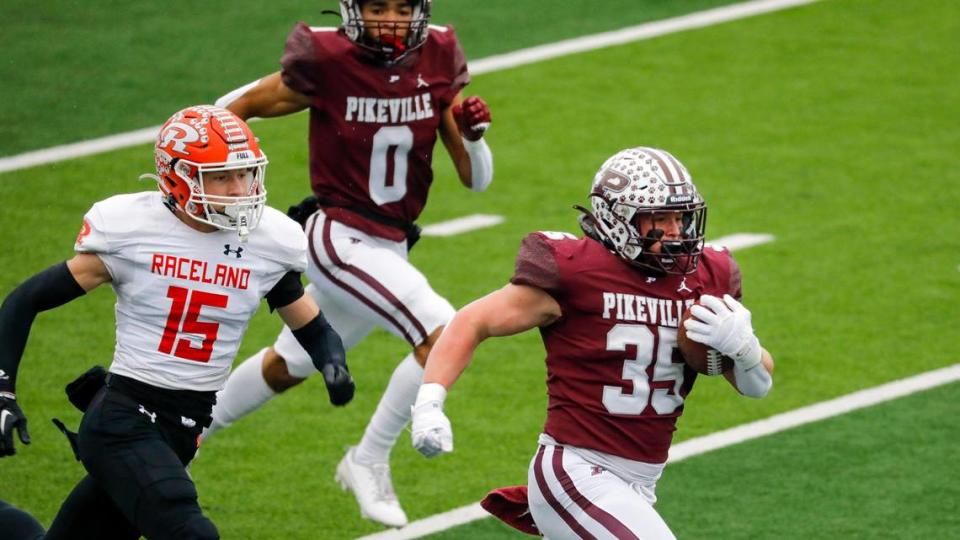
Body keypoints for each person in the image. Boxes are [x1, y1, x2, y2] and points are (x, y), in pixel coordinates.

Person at [0, 105, 354, 539]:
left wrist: (333, 364)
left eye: (244, 173)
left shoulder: (266, 243)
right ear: (177, 175)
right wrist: (2, 389)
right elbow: (25, 300)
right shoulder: (132, 230)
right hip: (124, 419)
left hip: (183, 429)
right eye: (221, 176)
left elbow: (312, 327)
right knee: (192, 533)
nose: (239, 187)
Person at [203, 0, 493, 527]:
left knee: (287, 365)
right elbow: (230, 108)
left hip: (391, 244)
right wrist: (226, 184)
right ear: (351, 11)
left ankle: (190, 429)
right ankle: (369, 457)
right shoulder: (331, 58)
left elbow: (476, 180)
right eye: (377, 7)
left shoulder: (436, 58)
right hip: (339, 234)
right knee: (443, 332)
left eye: (402, 8)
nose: (391, 20)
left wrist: (475, 139)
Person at [410, 147, 775, 538]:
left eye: (681, 217)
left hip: (639, 482)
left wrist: (745, 349)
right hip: (575, 471)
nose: (676, 231)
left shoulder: (705, 277)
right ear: (619, 220)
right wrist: (430, 403)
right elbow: (473, 320)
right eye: (660, 218)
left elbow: (758, 387)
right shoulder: (577, 271)